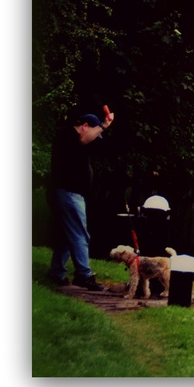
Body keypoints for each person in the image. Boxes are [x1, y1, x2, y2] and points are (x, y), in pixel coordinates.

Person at [47, 106, 115, 290]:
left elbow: (89, 141)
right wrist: (104, 125)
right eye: (94, 132)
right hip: (68, 193)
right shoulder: (70, 137)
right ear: (85, 126)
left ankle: (57, 273)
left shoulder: (75, 141)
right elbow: (85, 139)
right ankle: (83, 275)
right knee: (80, 234)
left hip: (66, 193)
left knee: (65, 235)